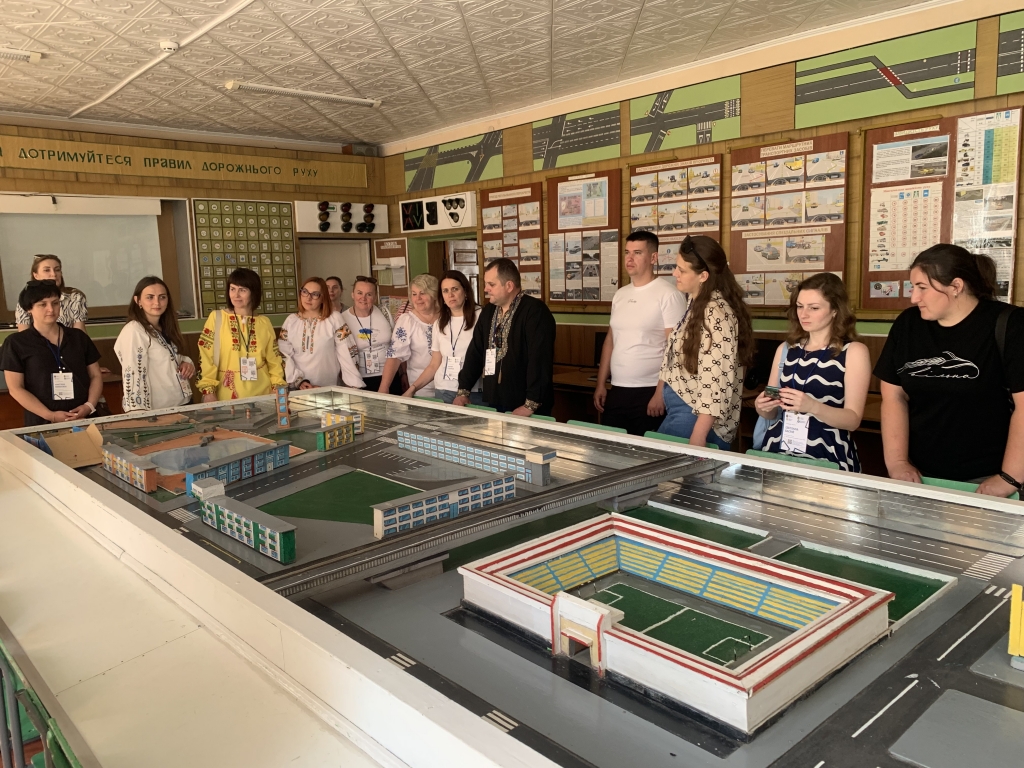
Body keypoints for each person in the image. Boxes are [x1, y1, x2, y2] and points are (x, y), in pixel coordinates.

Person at [875, 244, 1024, 496]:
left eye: (922, 288)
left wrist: (1009, 478)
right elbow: (893, 396)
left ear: (956, 286)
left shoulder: (1010, 324)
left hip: (988, 477)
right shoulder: (908, 324)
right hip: (920, 475)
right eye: (913, 287)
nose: (914, 298)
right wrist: (898, 462)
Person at [754, 273, 869, 471]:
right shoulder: (786, 349)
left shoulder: (853, 352)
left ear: (835, 310)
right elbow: (771, 413)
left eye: (814, 308)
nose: (803, 314)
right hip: (778, 451)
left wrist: (813, 406)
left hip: (827, 455)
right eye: (800, 306)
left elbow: (853, 420)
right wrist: (762, 406)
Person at [657, 235, 754, 448]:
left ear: (703, 276)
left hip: (694, 416)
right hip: (685, 408)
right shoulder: (697, 301)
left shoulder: (715, 313)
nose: (674, 274)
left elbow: (715, 378)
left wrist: (699, 434)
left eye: (682, 270)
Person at [594, 231, 686, 435]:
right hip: (617, 388)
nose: (629, 258)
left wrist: (660, 393)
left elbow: (675, 349)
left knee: (645, 451)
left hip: (650, 390)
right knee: (610, 447)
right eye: (627, 252)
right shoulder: (620, 294)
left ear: (653, 258)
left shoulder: (669, 294)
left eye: (637, 253)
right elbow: (610, 341)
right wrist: (601, 384)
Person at [455, 258, 556, 415]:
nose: (486, 289)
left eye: (491, 284)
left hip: (525, 407)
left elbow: (540, 360)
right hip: (494, 400)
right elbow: (476, 351)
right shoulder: (489, 311)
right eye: (486, 284)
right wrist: (463, 390)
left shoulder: (535, 312)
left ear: (509, 286)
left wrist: (530, 404)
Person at [2, 280, 102, 426]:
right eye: (42, 304)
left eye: (55, 303)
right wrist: (51, 415)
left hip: (83, 419)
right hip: (41, 422)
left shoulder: (78, 337)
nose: (51, 309)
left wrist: (89, 406)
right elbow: (16, 388)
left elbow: (95, 375)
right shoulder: (16, 343)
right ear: (29, 308)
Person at [197, 268, 286, 401]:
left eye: (242, 290)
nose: (236, 295)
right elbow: (206, 356)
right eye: (232, 289)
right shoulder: (217, 318)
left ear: (253, 292)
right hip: (227, 392)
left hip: (263, 393)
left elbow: (274, 360)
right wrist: (208, 390)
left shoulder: (264, 322)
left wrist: (278, 388)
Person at [114, 277, 195, 412]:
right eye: (150, 297)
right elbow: (133, 373)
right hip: (158, 411)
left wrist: (186, 362)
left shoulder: (164, 327)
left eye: (162, 297)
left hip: (182, 403)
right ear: (138, 301)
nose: (157, 302)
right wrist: (138, 414)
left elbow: (168, 359)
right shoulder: (134, 330)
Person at [403, 270, 483, 403]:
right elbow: (435, 364)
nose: (450, 295)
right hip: (443, 389)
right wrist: (413, 388)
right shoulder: (440, 322)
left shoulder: (481, 316)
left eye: (455, 289)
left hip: (473, 391)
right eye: (445, 291)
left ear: (465, 291)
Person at [278, 278, 363, 390]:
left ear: (323, 298)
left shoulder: (334, 318)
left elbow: (347, 353)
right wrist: (299, 381)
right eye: (305, 292)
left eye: (315, 294)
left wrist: (353, 385)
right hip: (300, 388)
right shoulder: (291, 321)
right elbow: (285, 354)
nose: (308, 298)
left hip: (328, 388)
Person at [379, 274, 440, 398]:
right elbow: (395, 356)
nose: (418, 298)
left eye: (422, 293)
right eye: (414, 294)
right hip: (420, 388)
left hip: (449, 385)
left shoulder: (447, 317)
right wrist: (384, 387)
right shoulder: (407, 320)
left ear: (434, 294)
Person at [341, 276, 394, 392]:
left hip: (389, 377)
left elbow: (396, 346)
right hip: (359, 380)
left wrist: (403, 373)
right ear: (352, 294)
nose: (363, 298)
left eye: (369, 294)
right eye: (359, 293)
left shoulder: (384, 312)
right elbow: (340, 353)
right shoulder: (342, 320)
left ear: (375, 297)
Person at [15, 254, 87, 332]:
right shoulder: (27, 297)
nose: (54, 274)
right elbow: (23, 334)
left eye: (57, 270)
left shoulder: (75, 297)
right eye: (47, 270)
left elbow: (80, 334)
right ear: (36, 275)